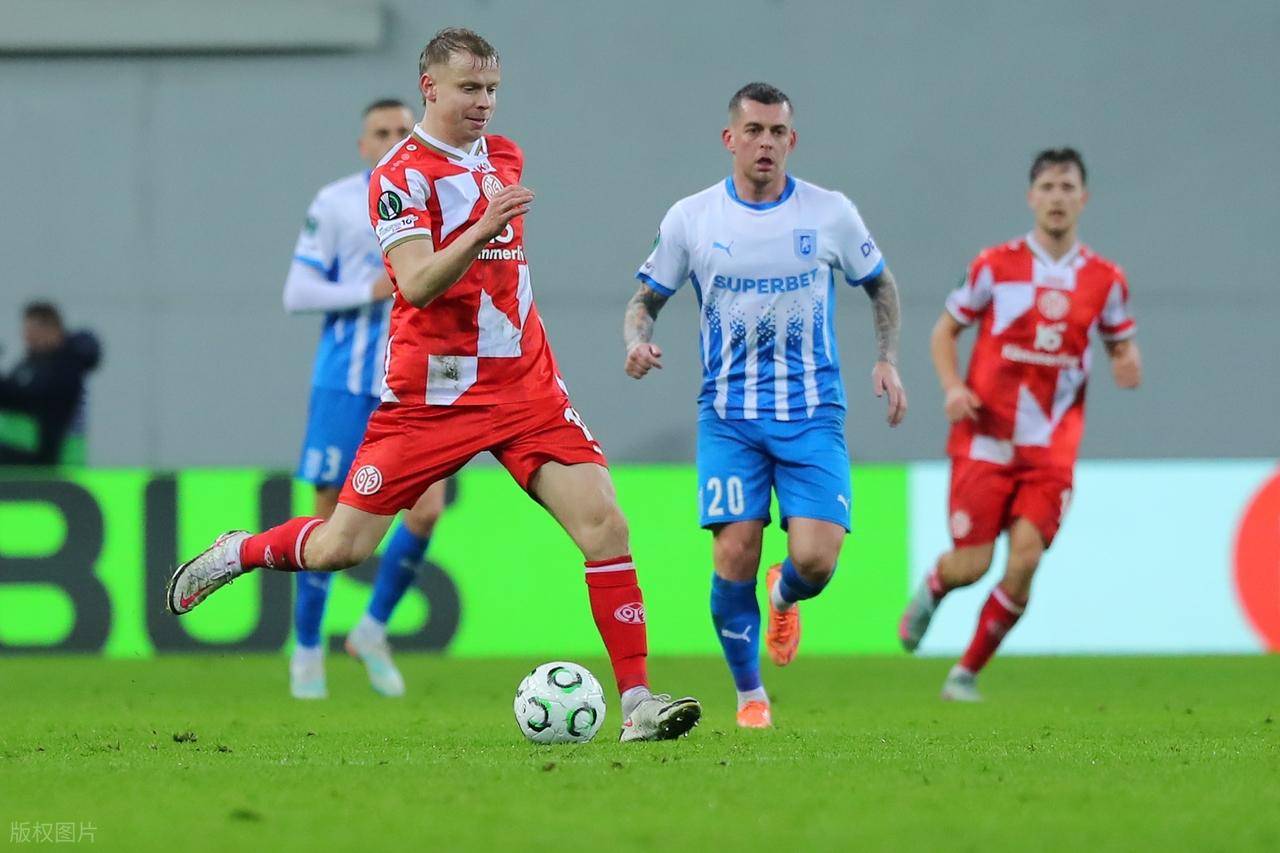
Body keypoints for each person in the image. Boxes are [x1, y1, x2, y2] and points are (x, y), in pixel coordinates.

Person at [167, 27, 701, 742]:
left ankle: (637, 702)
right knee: (341, 548)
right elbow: (415, 283)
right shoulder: (400, 177)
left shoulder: (504, 155)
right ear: (430, 87)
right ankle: (241, 550)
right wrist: (481, 228)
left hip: (525, 387)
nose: (484, 103)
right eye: (469, 89)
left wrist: (490, 231)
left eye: (492, 90)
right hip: (431, 398)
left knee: (606, 524)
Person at [623, 83, 907, 728]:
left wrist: (887, 358)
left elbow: (880, 284)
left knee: (815, 562)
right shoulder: (692, 218)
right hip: (730, 417)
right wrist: (637, 343)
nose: (765, 143)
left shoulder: (829, 213)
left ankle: (784, 594)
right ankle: (750, 695)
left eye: (777, 132)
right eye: (753, 130)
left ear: (792, 140)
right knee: (733, 553)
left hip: (813, 413)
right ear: (730, 138)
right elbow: (645, 300)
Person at [898, 148, 1142, 701]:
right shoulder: (995, 265)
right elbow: (944, 331)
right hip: (986, 441)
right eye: (1048, 187)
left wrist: (1127, 360)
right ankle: (936, 585)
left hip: (1051, 450)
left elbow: (1120, 343)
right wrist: (953, 387)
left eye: (1067, 187)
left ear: (1084, 199)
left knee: (1026, 558)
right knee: (972, 565)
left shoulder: (1105, 280)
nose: (1057, 197)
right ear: (1031, 197)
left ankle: (965, 673)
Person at [282, 98, 450, 701]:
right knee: (328, 517)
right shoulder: (335, 203)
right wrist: (369, 289)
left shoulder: (442, 193)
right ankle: (307, 650)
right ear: (363, 144)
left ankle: (371, 630)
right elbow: (297, 292)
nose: (393, 139)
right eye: (381, 131)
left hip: (415, 385)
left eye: (404, 129)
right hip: (346, 382)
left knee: (427, 510)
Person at [0, 302, 100, 466]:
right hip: (29, 458)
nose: (27, 337)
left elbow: (31, 398)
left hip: (55, 462)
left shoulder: (65, 368)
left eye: (33, 330)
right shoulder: (34, 363)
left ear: (52, 330)